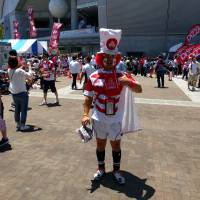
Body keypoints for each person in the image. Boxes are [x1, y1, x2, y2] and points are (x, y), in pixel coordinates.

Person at [81, 28, 142, 185]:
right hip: (98, 117)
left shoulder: (122, 76)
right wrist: (85, 114)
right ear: (101, 58)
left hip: (115, 118)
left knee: (116, 146)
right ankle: (101, 169)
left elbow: (139, 89)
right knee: (100, 144)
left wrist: (129, 82)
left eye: (112, 57)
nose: (109, 60)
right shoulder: (93, 77)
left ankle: (116, 171)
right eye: (106, 57)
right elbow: (87, 97)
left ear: (117, 59)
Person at [8, 54, 33, 131]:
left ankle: (18, 123)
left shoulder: (9, 70)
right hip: (22, 93)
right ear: (16, 62)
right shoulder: (20, 71)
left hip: (14, 93)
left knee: (17, 109)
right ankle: (22, 125)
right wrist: (29, 66)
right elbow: (30, 75)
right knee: (23, 109)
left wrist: (22, 66)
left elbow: (17, 71)